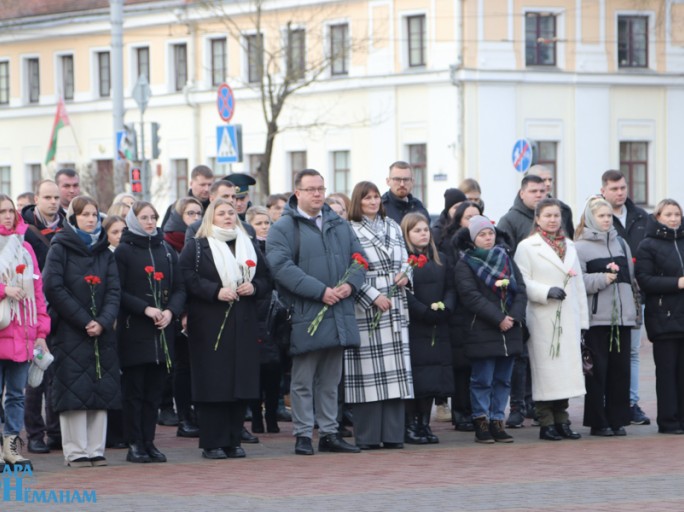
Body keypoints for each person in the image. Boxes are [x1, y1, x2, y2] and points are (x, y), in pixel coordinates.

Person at [266, 169, 364, 456]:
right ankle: (303, 434)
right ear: (298, 193)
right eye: (311, 189)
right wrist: (320, 291)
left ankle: (330, 433)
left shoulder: (340, 225)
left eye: (321, 188)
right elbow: (282, 268)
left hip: (339, 312)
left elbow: (359, 259)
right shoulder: (283, 228)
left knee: (331, 379)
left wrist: (349, 285)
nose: (318, 194)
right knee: (303, 380)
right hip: (305, 313)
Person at [180, 199, 269, 459]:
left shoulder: (248, 244)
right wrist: (214, 291)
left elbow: (266, 278)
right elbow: (186, 276)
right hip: (210, 323)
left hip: (243, 322)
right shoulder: (198, 245)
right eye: (221, 213)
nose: (228, 217)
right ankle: (212, 442)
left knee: (240, 382)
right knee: (213, 383)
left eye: (231, 213)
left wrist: (254, 288)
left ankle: (233, 439)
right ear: (211, 218)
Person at [43, 195, 121, 467]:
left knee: (101, 386)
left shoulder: (104, 251)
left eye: (93, 214)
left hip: (101, 330)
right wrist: (83, 320)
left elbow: (113, 289)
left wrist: (103, 319)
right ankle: (76, 450)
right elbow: (53, 287)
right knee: (73, 388)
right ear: (73, 217)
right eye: (84, 214)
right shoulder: (60, 247)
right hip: (70, 330)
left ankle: (96, 449)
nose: (90, 219)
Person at [114, 202, 186, 463]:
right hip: (136, 330)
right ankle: (134, 443)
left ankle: (149, 441)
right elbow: (118, 291)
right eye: (144, 217)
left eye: (153, 217)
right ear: (133, 220)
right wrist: (145, 308)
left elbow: (179, 287)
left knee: (154, 392)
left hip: (162, 331)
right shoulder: (123, 251)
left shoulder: (166, 249)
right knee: (134, 392)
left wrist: (171, 312)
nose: (150, 222)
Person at [345, 181, 413, 450]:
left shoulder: (393, 226)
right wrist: (373, 296)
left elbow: (407, 259)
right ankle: (369, 436)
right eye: (367, 198)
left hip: (395, 302)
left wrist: (406, 275)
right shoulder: (348, 229)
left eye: (375, 197)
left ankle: (394, 434)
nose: (373, 202)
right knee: (369, 374)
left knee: (395, 374)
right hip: (367, 307)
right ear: (357, 202)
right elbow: (348, 268)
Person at [514, 198, 588, 441]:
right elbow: (522, 281)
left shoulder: (569, 245)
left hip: (568, 316)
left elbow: (578, 286)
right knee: (546, 371)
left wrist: (583, 323)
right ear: (537, 218)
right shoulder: (527, 246)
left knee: (565, 371)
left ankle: (562, 420)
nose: (553, 220)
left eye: (556, 215)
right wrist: (545, 292)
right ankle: (546, 422)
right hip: (543, 316)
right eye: (547, 216)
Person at [453, 215, 527, 443]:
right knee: (482, 380)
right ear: (473, 238)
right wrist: (498, 319)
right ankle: (481, 421)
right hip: (483, 330)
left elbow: (521, 290)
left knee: (504, 380)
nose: (488, 238)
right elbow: (470, 297)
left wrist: (513, 316)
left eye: (490, 233)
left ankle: (498, 421)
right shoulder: (465, 263)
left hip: (510, 330)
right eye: (482, 235)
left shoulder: (505, 257)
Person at [575, 197, 637, 436]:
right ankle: (598, 421)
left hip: (622, 319)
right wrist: (602, 278)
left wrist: (632, 312)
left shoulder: (621, 243)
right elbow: (578, 282)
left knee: (620, 371)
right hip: (597, 320)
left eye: (609, 216)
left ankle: (617, 418)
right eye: (601, 216)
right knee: (597, 372)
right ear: (591, 218)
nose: (606, 220)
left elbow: (630, 280)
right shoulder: (580, 247)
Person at [0, 194, 50, 470]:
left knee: (17, 394)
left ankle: (12, 449)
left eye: (11, 211)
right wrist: (3, 290)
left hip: (22, 333)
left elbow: (38, 293)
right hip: (1, 326)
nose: (8, 216)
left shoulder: (26, 248)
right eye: (2, 212)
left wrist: (41, 331)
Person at [601, 169, 650, 426]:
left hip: (636, 292)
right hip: (608, 294)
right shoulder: (600, 217)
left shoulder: (642, 216)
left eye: (623, 188)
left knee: (632, 351)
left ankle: (631, 402)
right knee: (609, 352)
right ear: (603, 191)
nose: (620, 193)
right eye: (614, 189)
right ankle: (610, 402)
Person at [497, 174, 546, 428]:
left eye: (543, 191)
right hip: (520, 295)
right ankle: (517, 406)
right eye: (534, 191)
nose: (539, 195)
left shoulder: (552, 217)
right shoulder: (510, 220)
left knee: (539, 353)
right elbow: (505, 258)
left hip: (546, 297)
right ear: (522, 192)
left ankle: (537, 403)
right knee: (520, 355)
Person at [401, 212, 454, 445]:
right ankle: (411, 424)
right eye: (417, 231)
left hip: (438, 323)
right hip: (416, 325)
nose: (423, 234)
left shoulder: (440, 259)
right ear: (407, 235)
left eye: (425, 230)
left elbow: (451, 287)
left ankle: (425, 423)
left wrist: (445, 308)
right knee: (417, 377)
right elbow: (403, 292)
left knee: (434, 377)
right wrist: (423, 311)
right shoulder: (404, 260)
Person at [21, 180, 64, 454]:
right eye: (47, 197)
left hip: (60, 311)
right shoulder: (24, 233)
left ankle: (56, 433)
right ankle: (35, 434)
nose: (53, 202)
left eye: (56, 197)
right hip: (32, 311)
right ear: (36, 198)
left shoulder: (66, 228)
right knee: (34, 378)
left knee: (58, 375)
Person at [635, 199, 684, 434]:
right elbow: (644, 280)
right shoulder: (648, 245)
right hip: (663, 317)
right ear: (658, 217)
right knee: (666, 372)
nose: (674, 218)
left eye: (677, 214)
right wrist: (677, 283)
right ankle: (668, 421)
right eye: (668, 214)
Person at [161, 196, 204, 439]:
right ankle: (184, 417)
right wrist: (183, 311)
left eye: (199, 214)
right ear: (178, 216)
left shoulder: (204, 240)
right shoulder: (169, 243)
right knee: (183, 367)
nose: (195, 219)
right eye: (190, 214)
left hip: (203, 311)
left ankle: (199, 413)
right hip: (179, 314)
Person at [445, 200, 484, 432]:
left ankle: (477, 411)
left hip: (479, 311)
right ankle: (460, 412)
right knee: (461, 365)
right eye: (468, 217)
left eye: (476, 216)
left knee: (477, 365)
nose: (472, 221)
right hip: (459, 309)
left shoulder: (485, 241)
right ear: (459, 219)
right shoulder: (450, 244)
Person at [245, 206, 282, 434]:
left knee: (274, 367)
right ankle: (257, 416)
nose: (264, 227)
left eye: (267, 223)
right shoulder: (249, 248)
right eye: (259, 223)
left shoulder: (276, 247)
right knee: (256, 369)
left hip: (274, 313)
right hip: (254, 310)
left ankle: (272, 413)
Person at [527, 165, 574, 238]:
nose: (548, 184)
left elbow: (570, 239)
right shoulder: (513, 217)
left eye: (550, 180)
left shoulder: (564, 210)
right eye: (544, 180)